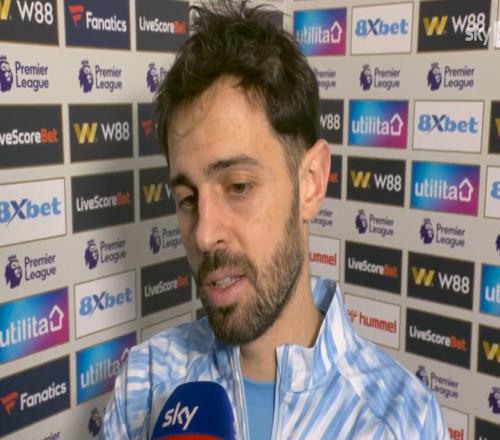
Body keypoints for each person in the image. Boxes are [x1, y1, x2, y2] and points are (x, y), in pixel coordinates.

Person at [102, 2, 448, 438]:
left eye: (238, 186)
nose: (204, 234)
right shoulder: (143, 383)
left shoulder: (403, 421)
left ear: (311, 182)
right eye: (187, 199)